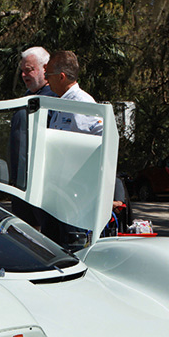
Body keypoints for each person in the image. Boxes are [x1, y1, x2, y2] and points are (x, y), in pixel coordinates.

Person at [10, 46, 57, 226]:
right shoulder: (26, 98)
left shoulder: (54, 99)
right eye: (22, 71)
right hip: (20, 186)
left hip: (43, 187)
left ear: (45, 68)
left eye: (29, 70)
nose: (24, 75)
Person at [44, 50, 103, 135]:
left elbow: (103, 134)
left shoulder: (81, 102)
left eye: (48, 75)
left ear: (61, 77)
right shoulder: (63, 101)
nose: (46, 79)